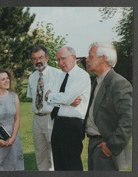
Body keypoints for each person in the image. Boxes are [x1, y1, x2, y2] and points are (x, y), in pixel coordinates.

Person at [84, 42, 132, 171]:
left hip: (105, 149)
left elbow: (129, 119)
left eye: (90, 56)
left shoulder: (119, 83)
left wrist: (111, 146)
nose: (87, 59)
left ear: (103, 58)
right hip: (94, 144)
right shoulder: (97, 81)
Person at [45, 46, 91, 171]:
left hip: (72, 125)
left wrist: (54, 97)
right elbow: (49, 98)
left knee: (72, 164)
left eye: (63, 59)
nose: (60, 63)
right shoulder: (59, 76)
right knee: (58, 164)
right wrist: (61, 99)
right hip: (57, 123)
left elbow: (62, 98)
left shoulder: (82, 76)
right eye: (58, 60)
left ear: (74, 58)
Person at [26, 46, 61, 171]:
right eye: (34, 59)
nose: (38, 61)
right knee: (40, 152)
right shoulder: (32, 77)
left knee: (53, 153)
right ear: (31, 61)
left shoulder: (58, 74)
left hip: (51, 117)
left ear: (47, 58)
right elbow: (32, 97)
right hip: (37, 119)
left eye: (40, 57)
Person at [0, 69, 24, 171]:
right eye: (3, 79)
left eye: (7, 78)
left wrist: (13, 137)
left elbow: (17, 118)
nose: (7, 81)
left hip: (13, 138)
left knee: (13, 167)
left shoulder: (14, 96)